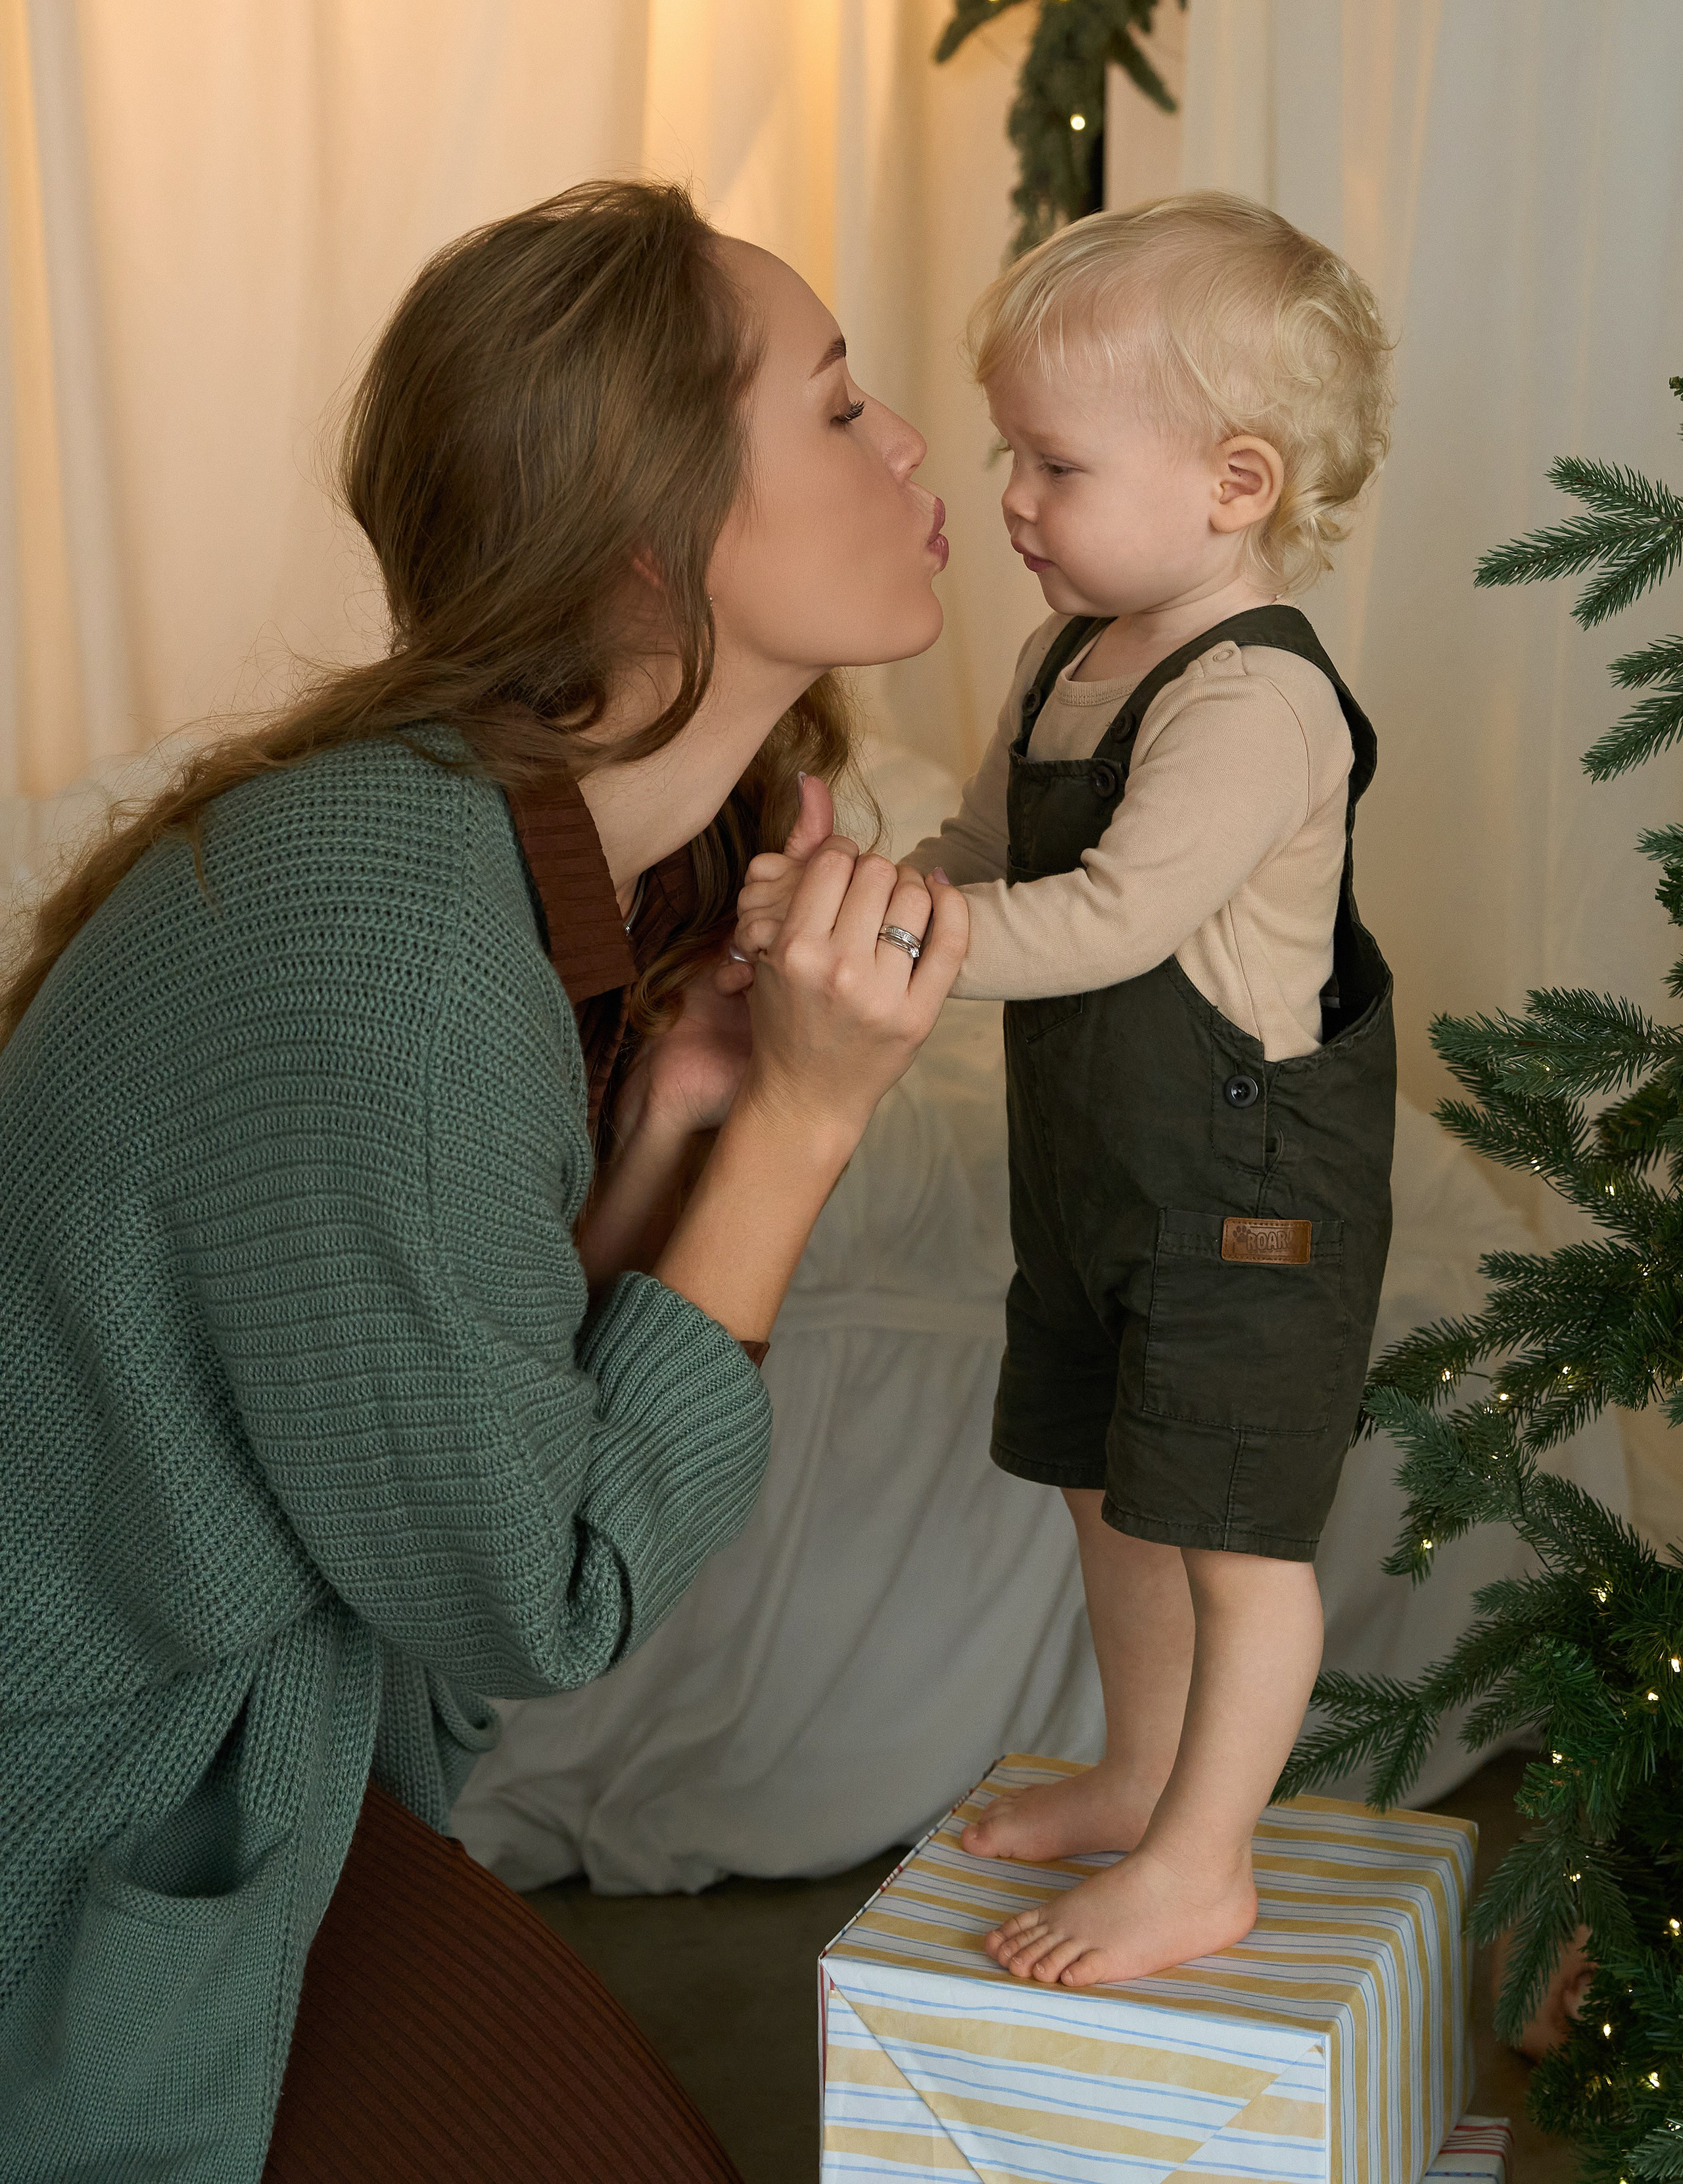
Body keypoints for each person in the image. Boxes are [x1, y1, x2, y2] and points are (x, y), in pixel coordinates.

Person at [0, 178, 966, 2180]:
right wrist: (799, 1125)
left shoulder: (503, 882)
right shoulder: (398, 928)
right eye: (842, 405)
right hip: (78, 1828)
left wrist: (684, 1137)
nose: (913, 451)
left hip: (263, 1800)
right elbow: (538, 1589)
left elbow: (447, 1406)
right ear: (655, 527)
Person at [735, 191, 1396, 1988]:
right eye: (1015, 452)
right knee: (1109, 1496)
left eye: (1057, 462)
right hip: (1104, 1183)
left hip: (1249, 1196)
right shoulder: (1061, 656)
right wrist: (867, 877)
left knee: (1231, 1535)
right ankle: (1134, 1770)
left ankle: (1206, 1860)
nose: (1009, 497)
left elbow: (1106, 917)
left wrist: (888, 941)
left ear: (1234, 484)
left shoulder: (1257, 702)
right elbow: (979, 844)